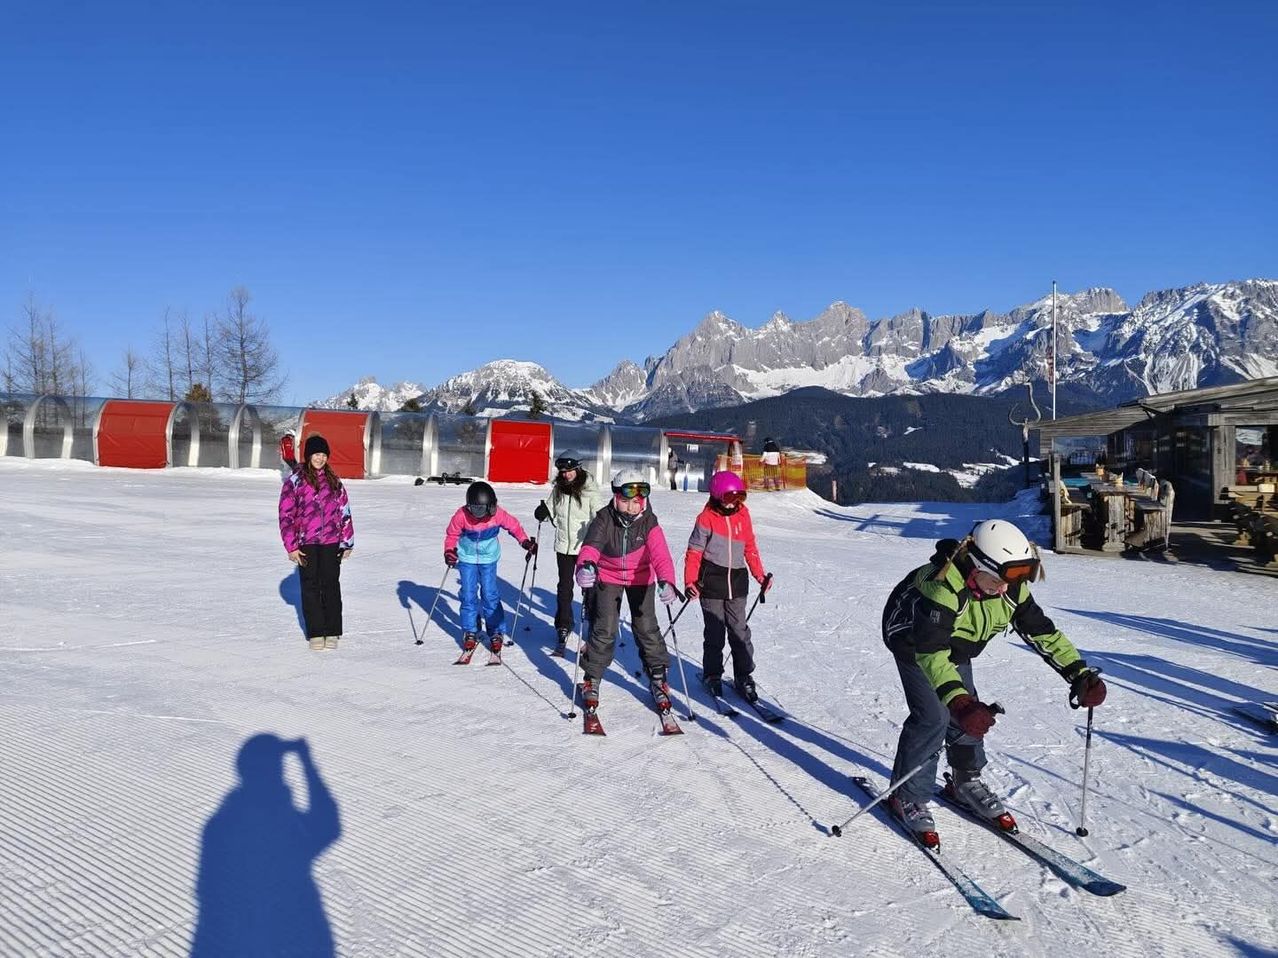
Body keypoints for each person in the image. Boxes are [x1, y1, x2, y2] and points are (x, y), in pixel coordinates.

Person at [879, 519, 1106, 846]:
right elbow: (931, 654)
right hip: (915, 640)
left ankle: (965, 780)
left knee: (970, 713)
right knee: (935, 715)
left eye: (1007, 583)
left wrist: (1079, 673)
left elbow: (1042, 632)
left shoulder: (1009, 587)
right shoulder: (943, 590)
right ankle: (907, 796)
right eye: (995, 581)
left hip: (955, 642)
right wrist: (957, 701)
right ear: (974, 565)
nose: (1002, 590)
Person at [574, 469, 680, 718]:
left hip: (641, 578)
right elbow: (591, 547)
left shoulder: (649, 522)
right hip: (609, 577)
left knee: (646, 628)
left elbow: (661, 555)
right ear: (615, 497)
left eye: (637, 502)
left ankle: (658, 677)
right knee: (605, 628)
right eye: (626, 500)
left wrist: (667, 581)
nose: (632, 507)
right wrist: (585, 566)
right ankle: (592, 678)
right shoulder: (604, 519)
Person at [684, 470, 772, 702]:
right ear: (716, 496)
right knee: (714, 633)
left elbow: (750, 548)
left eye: (739, 498)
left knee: (739, 631)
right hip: (711, 582)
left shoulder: (744, 515)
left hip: (737, 582)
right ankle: (712, 675)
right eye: (729, 498)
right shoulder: (706, 518)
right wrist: (690, 581)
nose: (734, 504)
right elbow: (694, 552)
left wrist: (760, 576)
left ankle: (744, 676)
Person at [279, 434, 354, 651]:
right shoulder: (296, 480)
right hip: (307, 542)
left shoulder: (334, 480)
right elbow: (286, 515)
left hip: (332, 541)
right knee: (311, 587)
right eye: (316, 454)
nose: (320, 458)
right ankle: (315, 632)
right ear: (308, 455)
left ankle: (332, 631)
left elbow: (344, 511)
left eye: (323, 454)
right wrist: (291, 546)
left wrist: (346, 541)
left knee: (331, 586)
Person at [444, 481, 536, 653]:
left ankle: (496, 631)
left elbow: (513, 525)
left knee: (489, 594)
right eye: (482, 510)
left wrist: (524, 541)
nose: (487, 513)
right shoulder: (461, 515)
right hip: (467, 557)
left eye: (490, 508)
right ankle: (470, 630)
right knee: (468, 595)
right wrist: (449, 551)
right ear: (472, 507)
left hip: (489, 558)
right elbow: (452, 534)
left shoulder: (497, 514)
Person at [533, 451, 606, 656]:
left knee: (589, 587)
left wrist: (597, 533)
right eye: (562, 472)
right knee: (564, 587)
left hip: (585, 547)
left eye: (569, 471)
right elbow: (552, 509)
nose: (566, 475)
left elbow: (600, 515)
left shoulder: (590, 490)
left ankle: (594, 625)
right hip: (564, 546)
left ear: (578, 469)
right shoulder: (558, 490)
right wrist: (544, 512)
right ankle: (563, 624)